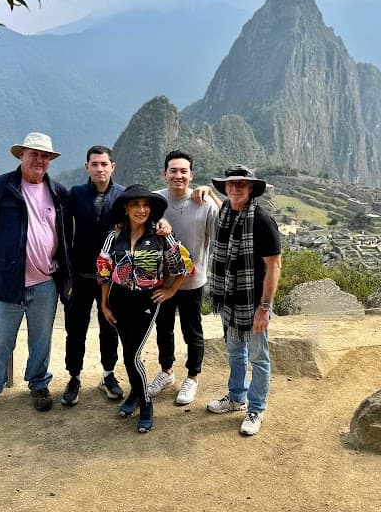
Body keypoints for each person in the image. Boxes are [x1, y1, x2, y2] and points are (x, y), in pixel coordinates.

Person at [0, 132, 72, 417]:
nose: (39, 160)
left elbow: (68, 236)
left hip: (46, 282)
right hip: (7, 280)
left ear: (49, 160)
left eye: (45, 156)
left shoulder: (58, 193)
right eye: (34, 154)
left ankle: (38, 383)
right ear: (21, 156)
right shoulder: (0, 188)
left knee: (41, 338)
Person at [97, 185, 193, 433]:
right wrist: (105, 304)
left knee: (131, 356)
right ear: (126, 209)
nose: (141, 209)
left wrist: (171, 290)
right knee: (128, 353)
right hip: (118, 300)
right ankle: (135, 395)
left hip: (146, 302)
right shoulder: (113, 237)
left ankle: (145, 404)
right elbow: (104, 272)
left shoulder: (161, 236)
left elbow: (183, 266)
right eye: (135, 205)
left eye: (146, 205)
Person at [206, 164, 282, 436]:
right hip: (229, 298)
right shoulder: (226, 211)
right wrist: (204, 194)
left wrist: (264, 308)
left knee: (259, 357)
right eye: (230, 184)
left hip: (253, 300)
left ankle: (256, 408)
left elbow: (274, 266)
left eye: (241, 184)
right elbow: (218, 205)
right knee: (236, 351)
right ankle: (236, 396)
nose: (235, 188)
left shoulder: (261, 220)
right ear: (226, 188)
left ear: (250, 188)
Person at [147, 150, 221, 405]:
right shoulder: (154, 201)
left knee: (192, 330)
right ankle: (166, 372)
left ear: (191, 174)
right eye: (173, 171)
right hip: (160, 281)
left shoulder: (205, 204)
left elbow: (228, 228)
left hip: (193, 282)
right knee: (163, 329)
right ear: (164, 174)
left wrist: (211, 193)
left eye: (183, 171)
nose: (178, 175)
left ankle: (192, 377)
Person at [61, 146, 125, 406]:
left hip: (111, 278)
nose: (100, 169)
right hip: (81, 274)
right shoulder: (75, 195)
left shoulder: (122, 196)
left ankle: (108, 375)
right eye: (95, 164)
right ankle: (74, 377)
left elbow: (142, 218)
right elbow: (62, 228)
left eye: (104, 164)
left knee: (110, 327)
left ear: (113, 167)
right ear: (87, 167)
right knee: (75, 329)